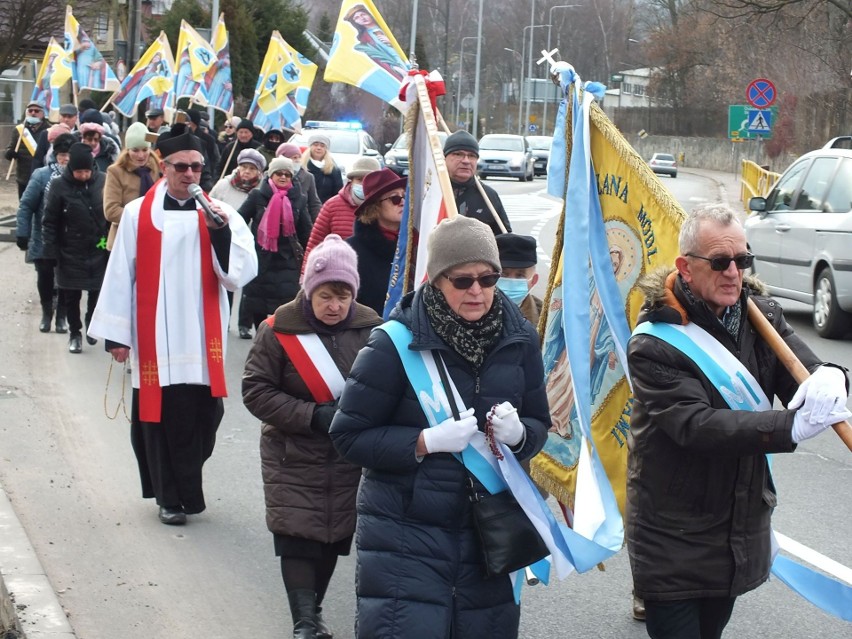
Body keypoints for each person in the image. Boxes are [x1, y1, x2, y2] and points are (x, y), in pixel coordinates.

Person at [626, 204, 850, 639]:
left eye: (742, 260)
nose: (734, 272)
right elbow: (696, 426)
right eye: (720, 262)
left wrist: (833, 376)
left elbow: (805, 373)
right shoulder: (655, 342)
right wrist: (788, 427)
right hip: (673, 531)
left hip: (735, 525)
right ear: (685, 268)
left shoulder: (760, 315)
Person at [330, 215, 550, 639]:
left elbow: (540, 421)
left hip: (489, 534)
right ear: (435, 279)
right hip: (406, 532)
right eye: (463, 280)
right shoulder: (394, 342)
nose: (477, 291)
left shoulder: (520, 338)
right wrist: (423, 442)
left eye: (488, 279)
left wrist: (520, 436)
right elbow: (348, 435)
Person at [87, 124, 258, 525]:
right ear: (164, 167)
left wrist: (219, 236)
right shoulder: (136, 214)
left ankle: (186, 481)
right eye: (181, 167)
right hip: (155, 341)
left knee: (203, 420)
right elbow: (120, 273)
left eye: (197, 168)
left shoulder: (223, 214)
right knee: (159, 420)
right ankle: (170, 497)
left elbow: (239, 274)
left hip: (201, 340)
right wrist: (117, 333)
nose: (189, 175)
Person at [242, 234, 382, 639]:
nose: (335, 306)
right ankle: (304, 623)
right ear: (309, 291)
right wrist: (312, 415)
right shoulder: (278, 330)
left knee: (332, 535)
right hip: (293, 450)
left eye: (342, 296)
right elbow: (256, 391)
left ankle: (312, 609)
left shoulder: (371, 328)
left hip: (347, 455)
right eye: (325, 296)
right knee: (297, 534)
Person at [41, 143, 109, 354]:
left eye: (87, 171)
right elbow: (50, 220)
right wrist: (50, 250)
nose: (83, 175)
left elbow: (111, 214)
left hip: (99, 247)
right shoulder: (59, 185)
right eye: (79, 172)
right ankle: (75, 333)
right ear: (72, 169)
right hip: (69, 249)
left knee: (97, 291)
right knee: (71, 295)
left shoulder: (103, 181)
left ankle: (91, 322)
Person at [237, 156, 312, 332]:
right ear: (271, 175)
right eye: (279, 173)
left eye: (287, 174)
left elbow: (306, 231)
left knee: (285, 304)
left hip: (288, 260)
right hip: (261, 257)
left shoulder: (299, 199)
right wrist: (247, 244)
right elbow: (239, 221)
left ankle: (278, 341)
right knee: (257, 302)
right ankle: (259, 335)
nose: (283, 177)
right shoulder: (257, 195)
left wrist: (310, 254)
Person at [15, 132, 76, 334]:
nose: (65, 159)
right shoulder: (42, 175)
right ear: (55, 155)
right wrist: (23, 233)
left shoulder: (80, 177)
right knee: (45, 276)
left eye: (69, 154)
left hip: (69, 238)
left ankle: (62, 316)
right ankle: (47, 311)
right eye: (61, 154)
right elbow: (26, 205)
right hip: (43, 235)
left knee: (67, 278)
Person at [211, 148, 267, 340]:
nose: (247, 171)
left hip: (250, 240)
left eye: (252, 168)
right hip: (226, 238)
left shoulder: (262, 189)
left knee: (248, 283)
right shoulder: (223, 185)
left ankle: (245, 323)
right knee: (227, 279)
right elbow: (209, 205)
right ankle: (223, 320)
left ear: (259, 171)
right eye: (244, 167)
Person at [345, 167, 405, 315]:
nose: (403, 202)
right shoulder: (350, 251)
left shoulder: (415, 246)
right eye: (395, 198)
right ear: (375, 206)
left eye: (405, 196)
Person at [302, 156, 380, 268]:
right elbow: (315, 244)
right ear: (351, 181)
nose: (364, 184)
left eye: (369, 180)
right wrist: (306, 276)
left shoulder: (386, 207)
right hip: (338, 276)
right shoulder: (332, 206)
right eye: (359, 179)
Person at [103, 122, 161, 251]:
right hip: (124, 240)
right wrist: (142, 218)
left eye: (145, 150)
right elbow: (111, 211)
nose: (141, 155)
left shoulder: (159, 168)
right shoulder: (116, 171)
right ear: (127, 150)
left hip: (153, 238)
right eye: (135, 150)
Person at [443, 131, 511, 235]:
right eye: (458, 154)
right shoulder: (433, 194)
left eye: (471, 156)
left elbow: (504, 240)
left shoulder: (488, 196)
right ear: (444, 158)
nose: (466, 161)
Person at [5, 100, 51, 199]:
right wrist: (9, 153)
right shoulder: (19, 130)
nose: (33, 113)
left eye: (36, 111)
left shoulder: (49, 130)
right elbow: (9, 149)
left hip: (43, 177)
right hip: (23, 177)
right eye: (30, 111)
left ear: (43, 114)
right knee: (24, 206)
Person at [495, 233, 542, 326]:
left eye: (520, 275)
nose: (511, 281)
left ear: (533, 281)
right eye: (503, 274)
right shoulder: (473, 311)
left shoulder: (545, 318)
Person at [277, 142, 321, 222]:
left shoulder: (308, 177)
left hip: (300, 221)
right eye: (294, 158)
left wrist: (317, 223)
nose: (297, 161)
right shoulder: (272, 176)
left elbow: (314, 203)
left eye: (299, 157)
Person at [33, 103, 78, 170]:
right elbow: (38, 159)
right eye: (63, 116)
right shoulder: (47, 133)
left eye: (69, 116)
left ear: (76, 118)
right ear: (59, 116)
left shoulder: (79, 135)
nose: (66, 119)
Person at [302, 134, 343, 204]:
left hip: (326, 209)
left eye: (322, 146)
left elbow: (338, 194)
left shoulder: (334, 170)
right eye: (315, 144)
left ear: (326, 149)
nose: (319, 148)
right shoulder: (302, 167)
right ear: (310, 147)